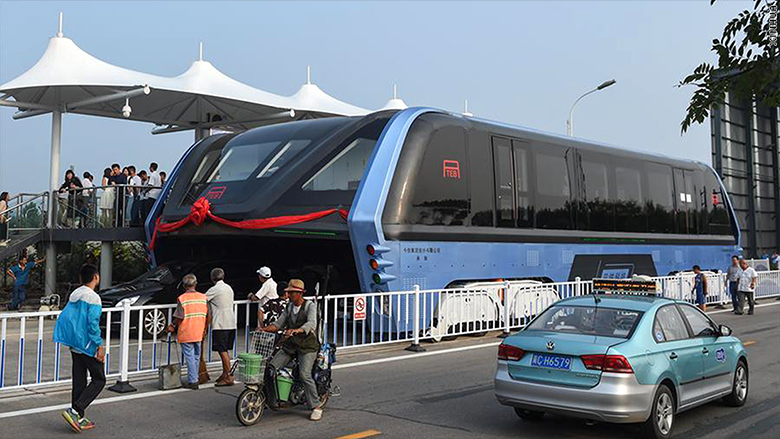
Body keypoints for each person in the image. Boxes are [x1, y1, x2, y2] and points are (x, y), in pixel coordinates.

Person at [53, 264, 106, 433]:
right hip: (86, 344)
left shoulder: (74, 295)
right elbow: (92, 324)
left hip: (74, 344)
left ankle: (79, 417)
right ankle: (75, 411)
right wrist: (99, 345)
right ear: (96, 277)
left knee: (79, 380)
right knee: (99, 379)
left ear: (80, 279)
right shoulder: (93, 297)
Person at [264, 279, 323, 421]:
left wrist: (298, 330)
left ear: (299, 293)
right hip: (291, 345)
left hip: (307, 346)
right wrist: (265, 329)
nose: (288, 295)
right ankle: (273, 398)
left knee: (304, 375)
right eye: (288, 292)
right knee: (271, 368)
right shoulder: (289, 307)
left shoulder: (310, 306)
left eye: (291, 293)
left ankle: (315, 406)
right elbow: (279, 323)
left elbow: (311, 323)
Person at [167, 274, 208, 389]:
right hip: (199, 330)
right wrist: (205, 328)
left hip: (187, 331)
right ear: (195, 284)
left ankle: (193, 381)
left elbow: (179, 316)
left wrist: (172, 325)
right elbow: (208, 313)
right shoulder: (203, 297)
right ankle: (194, 378)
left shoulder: (182, 298)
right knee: (196, 356)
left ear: (184, 286)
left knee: (189, 356)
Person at [204, 268, 236, 386]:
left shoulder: (215, 289)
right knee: (225, 350)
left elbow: (202, 299)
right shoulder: (229, 288)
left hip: (220, 323)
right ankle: (224, 373)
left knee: (222, 351)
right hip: (231, 322)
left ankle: (229, 375)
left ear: (212, 278)